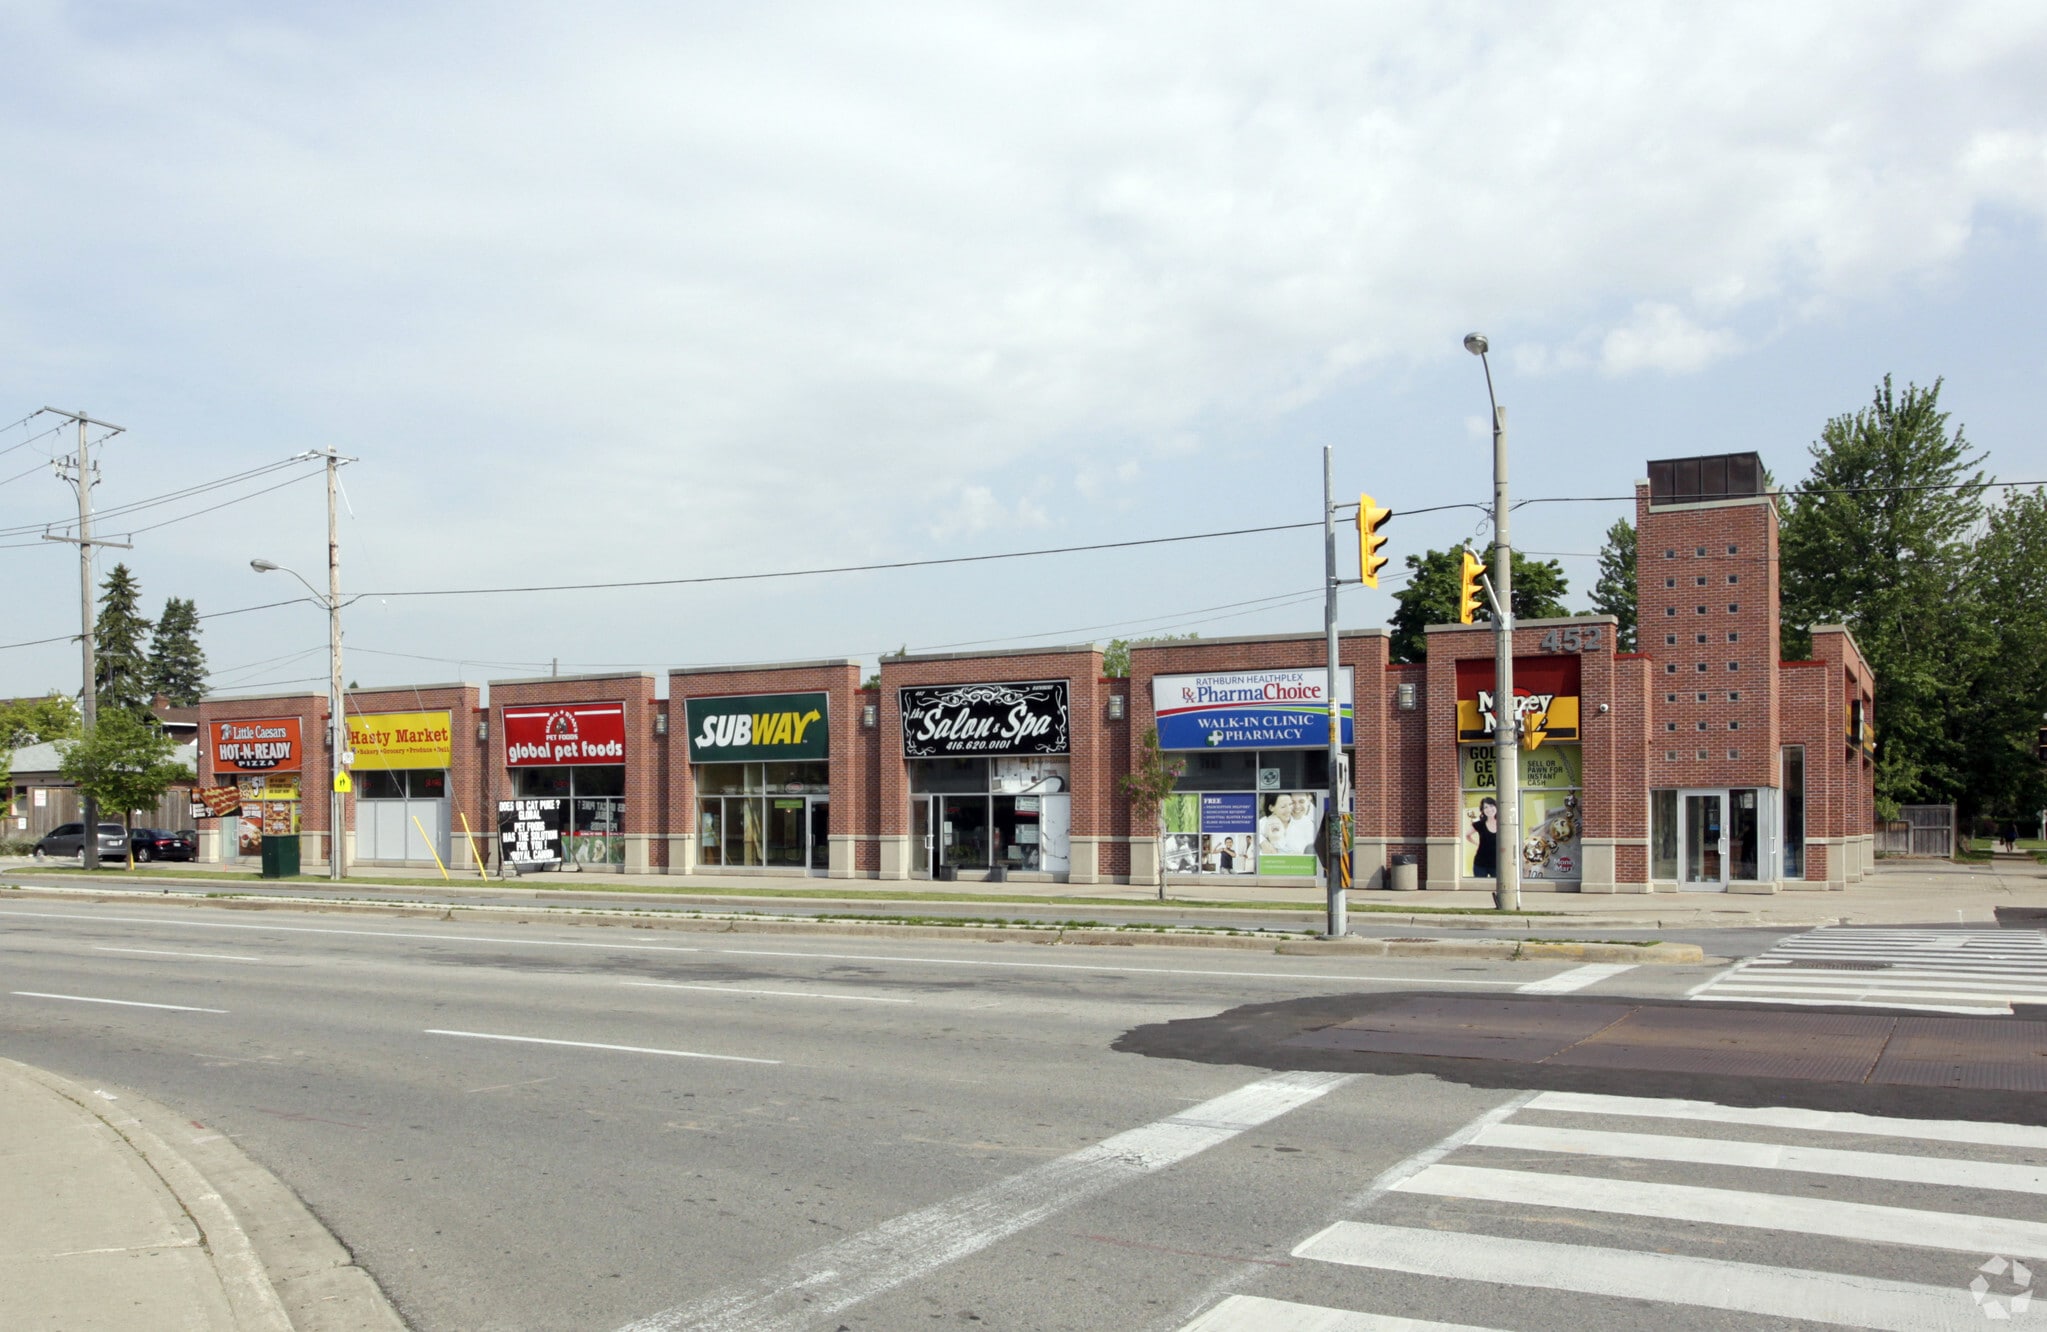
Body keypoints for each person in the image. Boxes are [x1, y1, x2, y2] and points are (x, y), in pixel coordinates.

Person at [1466, 796, 1499, 878]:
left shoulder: (1502, 824)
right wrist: (1477, 844)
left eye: (1491, 806)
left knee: (1497, 888)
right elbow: (1467, 835)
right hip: (1480, 864)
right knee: (1480, 887)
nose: (1489, 809)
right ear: (1483, 810)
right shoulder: (1479, 824)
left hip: (1497, 864)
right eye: (1486, 807)